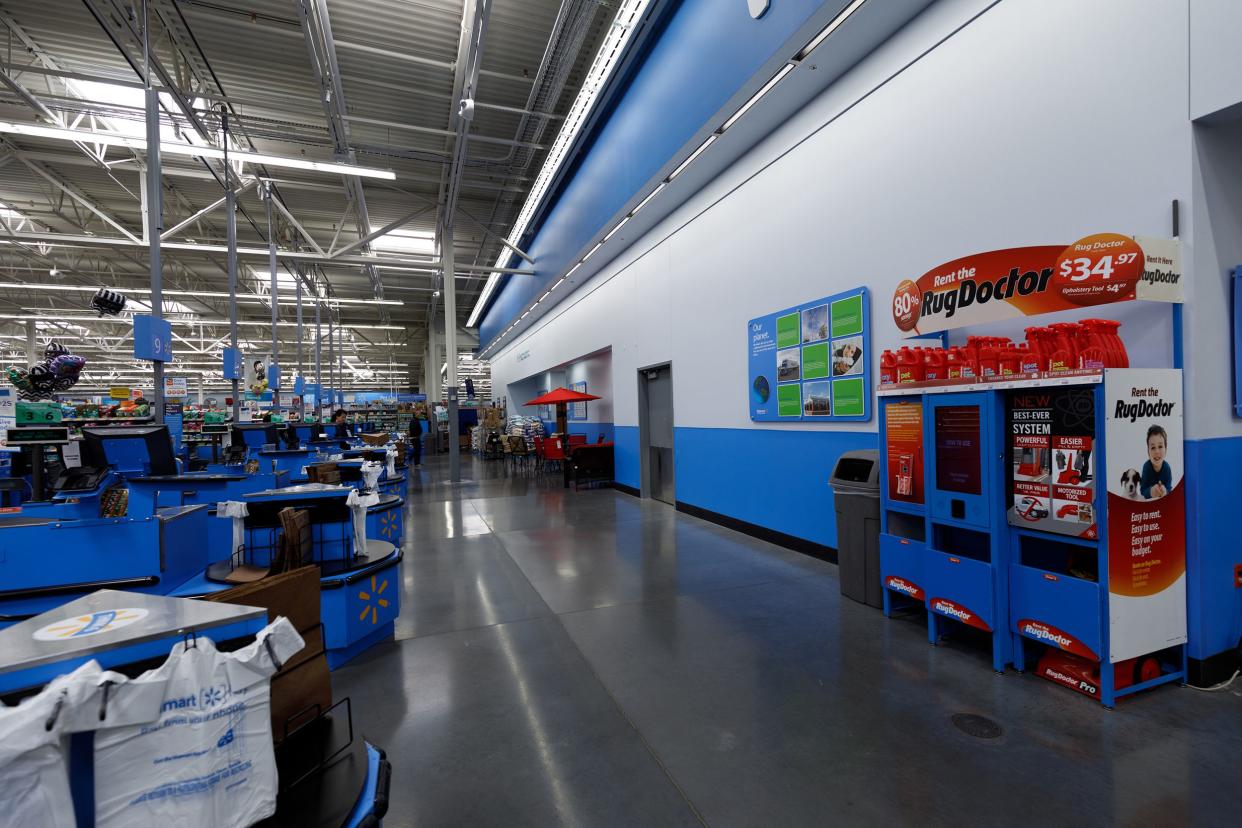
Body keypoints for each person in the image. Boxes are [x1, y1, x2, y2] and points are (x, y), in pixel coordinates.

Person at [1140, 424, 1172, 499]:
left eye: (1160, 446)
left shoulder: (1167, 468)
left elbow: (1169, 488)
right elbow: (1142, 490)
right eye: (1153, 447)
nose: (1157, 451)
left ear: (1166, 449)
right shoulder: (1146, 467)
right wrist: (1151, 491)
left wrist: (1165, 491)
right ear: (1148, 452)